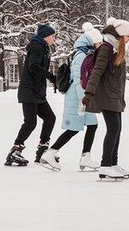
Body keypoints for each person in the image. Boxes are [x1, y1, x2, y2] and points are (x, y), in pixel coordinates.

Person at [40, 23, 103, 171]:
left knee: (92, 125)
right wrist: (84, 101)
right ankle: (50, 153)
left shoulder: (85, 55)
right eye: (98, 42)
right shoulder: (82, 57)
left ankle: (85, 157)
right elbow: (78, 81)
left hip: (81, 98)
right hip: (78, 99)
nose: (100, 45)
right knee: (73, 129)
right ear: (90, 42)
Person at [83, 17, 129, 180]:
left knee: (117, 129)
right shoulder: (107, 48)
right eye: (127, 36)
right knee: (113, 129)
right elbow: (97, 71)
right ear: (120, 35)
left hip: (115, 96)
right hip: (107, 96)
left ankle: (113, 163)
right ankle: (105, 165)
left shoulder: (115, 48)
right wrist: (89, 93)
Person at [5, 23, 58, 167]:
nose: (54, 38)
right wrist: (51, 76)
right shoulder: (37, 46)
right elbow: (33, 66)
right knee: (30, 122)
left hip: (37, 92)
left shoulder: (43, 47)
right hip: (29, 91)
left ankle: (42, 150)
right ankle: (15, 151)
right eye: (53, 35)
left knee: (50, 118)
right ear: (46, 36)